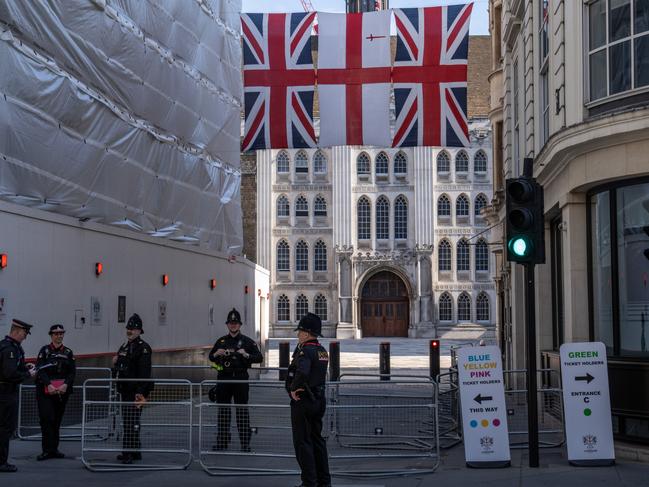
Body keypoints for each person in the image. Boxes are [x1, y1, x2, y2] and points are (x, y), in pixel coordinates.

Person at [285, 313, 331, 487]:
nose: (298, 335)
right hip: (318, 400)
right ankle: (324, 482)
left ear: (306, 333)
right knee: (317, 441)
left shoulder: (305, 351)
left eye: (300, 332)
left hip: (304, 400)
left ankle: (309, 482)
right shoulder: (322, 351)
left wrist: (293, 389)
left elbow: (303, 371)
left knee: (302, 443)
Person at [208, 308, 263, 452]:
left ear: (240, 325)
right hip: (224, 380)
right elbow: (210, 357)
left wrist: (246, 355)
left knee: (242, 411)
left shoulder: (247, 342)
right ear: (227, 324)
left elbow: (259, 358)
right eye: (231, 323)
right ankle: (222, 441)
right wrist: (216, 354)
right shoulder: (221, 341)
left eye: (236, 323)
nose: (233, 325)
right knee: (223, 412)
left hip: (240, 380)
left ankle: (245, 443)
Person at [112, 313, 153, 464]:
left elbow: (144, 373)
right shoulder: (124, 347)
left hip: (136, 391)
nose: (130, 331)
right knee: (128, 420)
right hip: (125, 390)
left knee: (132, 421)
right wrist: (115, 362)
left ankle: (129, 452)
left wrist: (140, 393)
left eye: (133, 328)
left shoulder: (143, 348)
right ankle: (133, 451)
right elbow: (119, 368)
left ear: (139, 331)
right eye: (128, 328)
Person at [35, 324, 76, 461]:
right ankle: (46, 450)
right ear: (51, 335)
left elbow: (72, 372)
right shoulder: (45, 351)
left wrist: (66, 384)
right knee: (47, 419)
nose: (59, 335)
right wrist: (48, 384)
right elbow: (40, 369)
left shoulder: (68, 352)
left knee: (57, 420)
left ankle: (54, 449)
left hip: (61, 391)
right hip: (46, 391)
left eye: (61, 333)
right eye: (56, 333)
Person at [0, 319, 36, 473]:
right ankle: (1, 462)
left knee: (4, 428)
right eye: (24, 333)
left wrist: (23, 367)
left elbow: (12, 368)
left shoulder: (10, 346)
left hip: (6, 393)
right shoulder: (10, 349)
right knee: (4, 428)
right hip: (6, 394)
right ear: (17, 331)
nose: (25, 337)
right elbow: (9, 374)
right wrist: (27, 374)